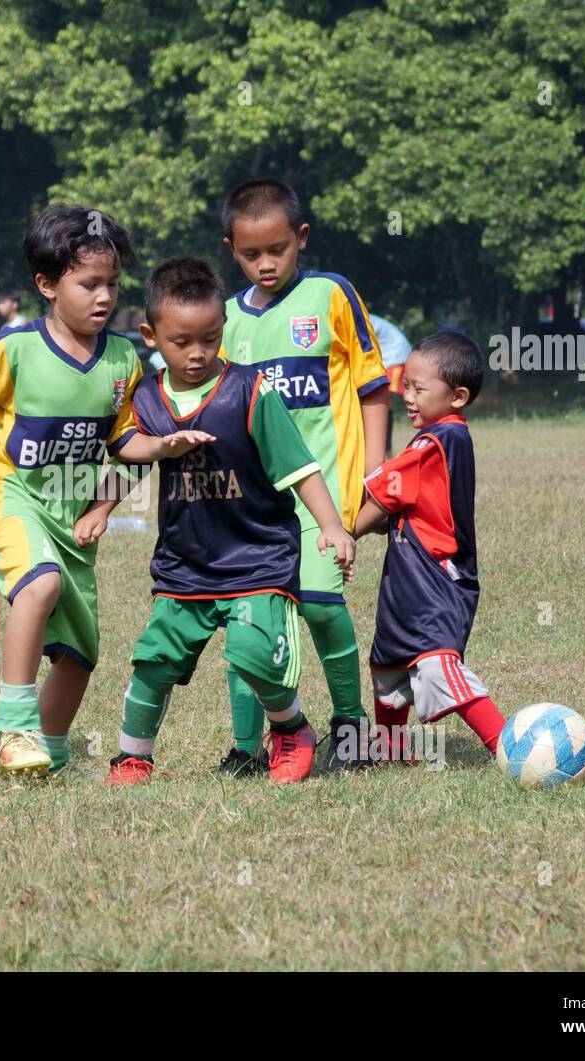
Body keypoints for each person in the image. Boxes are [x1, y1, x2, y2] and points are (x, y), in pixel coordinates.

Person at [0, 205, 209, 778]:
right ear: (48, 285)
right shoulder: (15, 350)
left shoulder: (124, 359)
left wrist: (154, 454)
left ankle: (48, 757)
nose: (104, 297)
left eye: (111, 284)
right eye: (89, 284)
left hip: (71, 507)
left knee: (80, 655)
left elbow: (125, 439)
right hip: (8, 492)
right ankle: (15, 726)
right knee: (41, 583)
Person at [75, 257, 356, 784]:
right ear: (150, 335)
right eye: (182, 341)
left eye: (210, 337)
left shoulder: (251, 390)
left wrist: (334, 527)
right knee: (153, 664)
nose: (198, 352)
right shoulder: (147, 399)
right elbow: (130, 459)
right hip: (185, 566)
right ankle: (133, 757)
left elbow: (299, 468)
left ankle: (291, 727)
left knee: (254, 656)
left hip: (258, 560)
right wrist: (101, 508)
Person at [219, 179, 389, 774]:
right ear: (231, 250)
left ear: (302, 239)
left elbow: (372, 389)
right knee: (249, 625)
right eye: (250, 254)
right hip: (254, 510)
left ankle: (350, 728)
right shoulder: (228, 324)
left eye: (279, 249)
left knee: (318, 603)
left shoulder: (331, 295)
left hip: (326, 500)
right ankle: (245, 749)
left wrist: (375, 477)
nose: (266, 264)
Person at [353, 332, 504, 760]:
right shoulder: (442, 436)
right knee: (387, 668)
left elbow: (384, 494)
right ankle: (393, 751)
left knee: (437, 665)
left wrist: (346, 531)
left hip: (435, 578)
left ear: (457, 397)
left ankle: (508, 744)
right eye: (406, 385)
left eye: (420, 389)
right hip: (407, 573)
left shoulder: (434, 440)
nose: (408, 396)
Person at [368, 313, 411, 456]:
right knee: (385, 404)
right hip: (392, 356)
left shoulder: (360, 318)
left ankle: (385, 449)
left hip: (394, 356)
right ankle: (386, 449)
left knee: (384, 403)